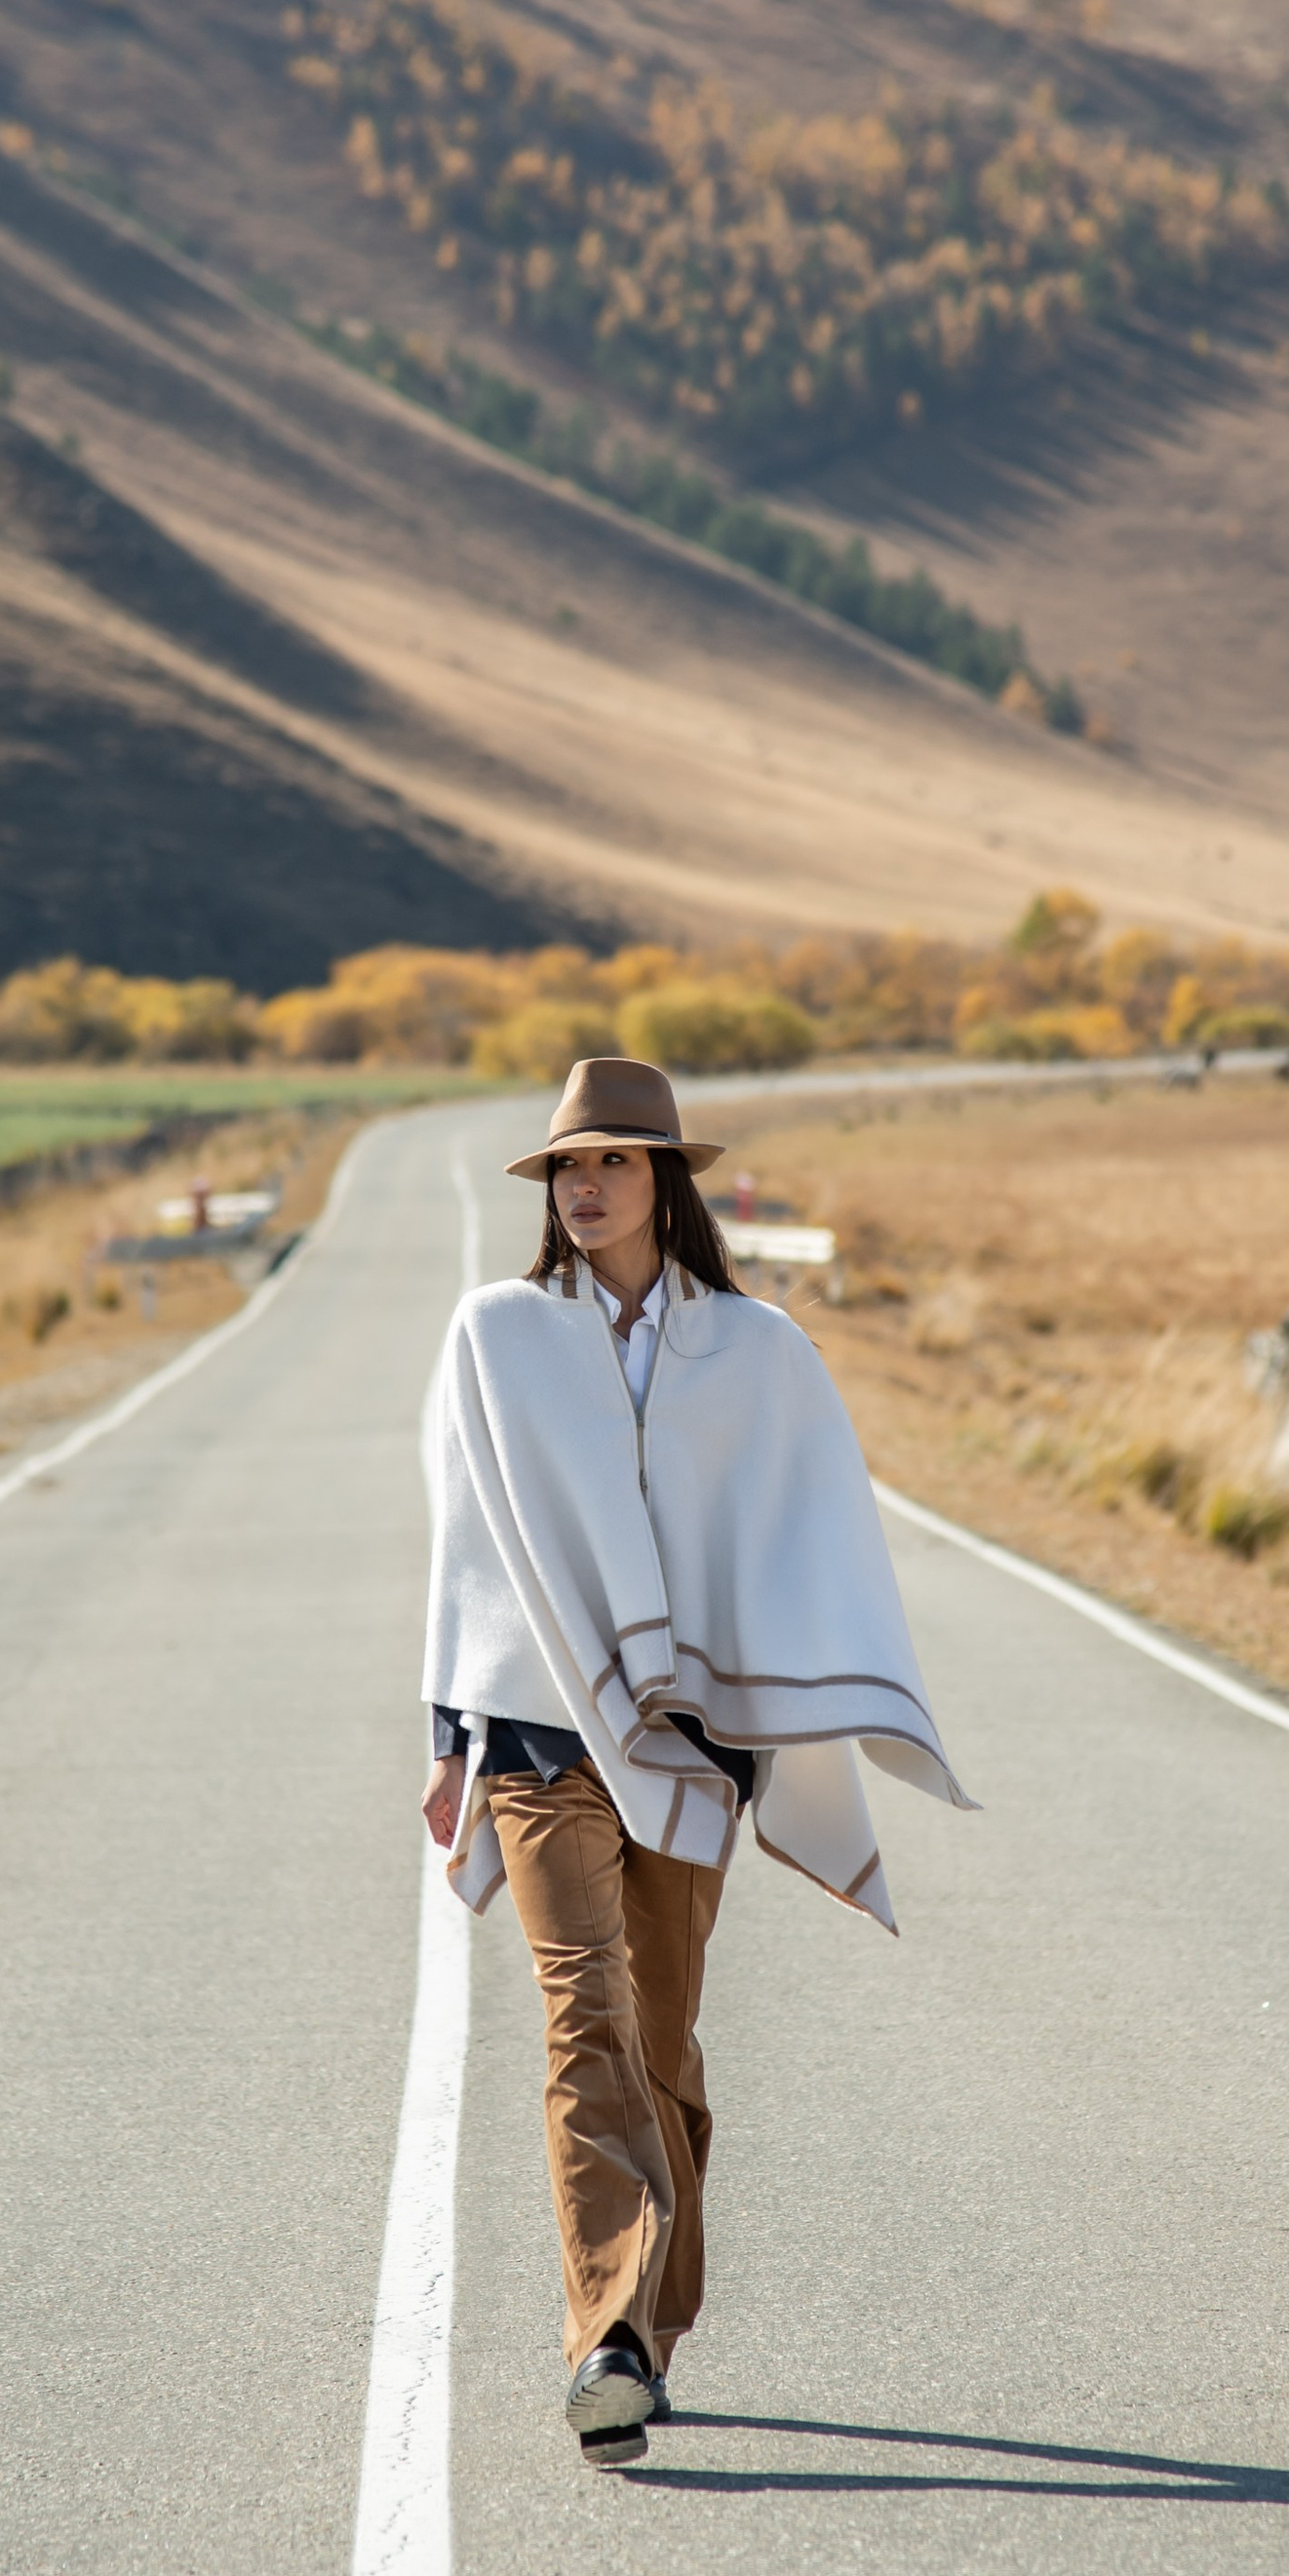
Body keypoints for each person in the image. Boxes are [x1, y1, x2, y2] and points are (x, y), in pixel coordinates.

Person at [421, 1056, 970, 2472]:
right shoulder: (497, 1336)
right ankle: (604, 2335)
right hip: (540, 1730)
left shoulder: (758, 1349)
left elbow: (807, 1532)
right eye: (567, 1168)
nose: (587, 1185)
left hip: (687, 1745)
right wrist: (446, 1732)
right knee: (580, 2010)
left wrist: (798, 1694)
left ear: (668, 1179)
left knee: (657, 2032)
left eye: (613, 1162)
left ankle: (652, 2316)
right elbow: (465, 1535)